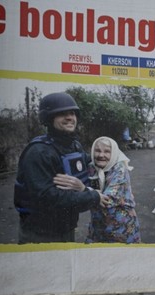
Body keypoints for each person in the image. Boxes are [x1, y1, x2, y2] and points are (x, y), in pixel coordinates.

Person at [14, 92, 107, 243]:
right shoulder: (38, 152)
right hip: (40, 234)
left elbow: (90, 164)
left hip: (67, 228)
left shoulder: (73, 145)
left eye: (72, 113)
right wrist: (93, 196)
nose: (70, 117)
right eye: (62, 114)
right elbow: (46, 198)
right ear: (48, 118)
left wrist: (113, 159)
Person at [84, 136, 141, 243]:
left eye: (107, 151)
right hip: (98, 227)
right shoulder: (93, 167)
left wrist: (82, 189)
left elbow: (107, 200)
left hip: (122, 229)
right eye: (97, 151)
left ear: (114, 153)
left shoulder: (119, 169)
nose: (101, 155)